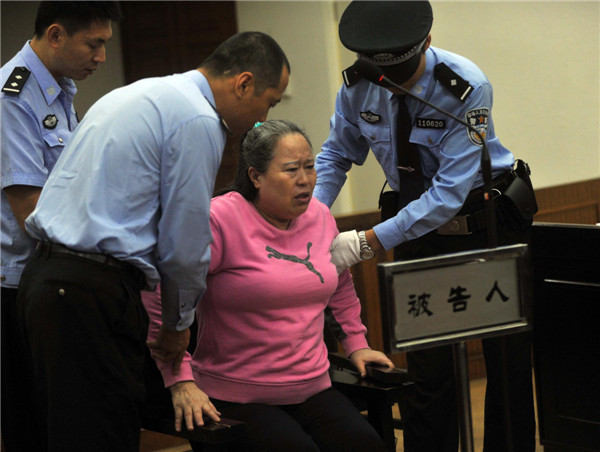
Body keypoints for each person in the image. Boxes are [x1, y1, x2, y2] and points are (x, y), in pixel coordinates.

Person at [15, 31, 290, 451]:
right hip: (92, 289)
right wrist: (179, 325)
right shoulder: (198, 119)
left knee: (59, 434)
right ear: (244, 83)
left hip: (44, 281)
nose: (262, 117)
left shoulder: (137, 95)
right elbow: (185, 243)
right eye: (269, 101)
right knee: (102, 436)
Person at [314, 2, 537, 452]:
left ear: (427, 45)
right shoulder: (360, 86)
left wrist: (366, 242)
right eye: (381, 71)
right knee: (426, 372)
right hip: (415, 228)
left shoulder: (465, 86)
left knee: (507, 365)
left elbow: (449, 193)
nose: (391, 82)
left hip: (486, 223)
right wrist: (309, 221)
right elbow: (337, 156)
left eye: (402, 72)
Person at [142, 119, 394, 452]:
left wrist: (356, 342)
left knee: (366, 445)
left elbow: (338, 280)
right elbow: (162, 291)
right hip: (234, 393)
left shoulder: (319, 215)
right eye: (291, 170)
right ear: (255, 175)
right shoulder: (219, 219)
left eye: (310, 167)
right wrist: (179, 381)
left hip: (312, 386)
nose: (305, 180)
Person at [0, 2, 121, 450]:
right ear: (55, 35)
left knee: (67, 418)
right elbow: (31, 210)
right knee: (31, 423)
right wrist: (106, 245)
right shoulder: (12, 97)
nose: (101, 57)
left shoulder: (59, 88)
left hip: (56, 277)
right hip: (16, 285)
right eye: (94, 44)